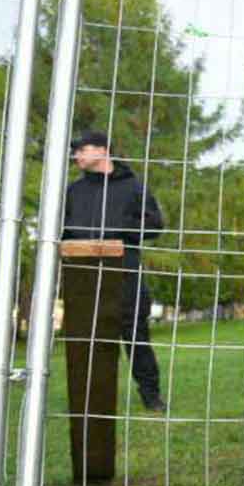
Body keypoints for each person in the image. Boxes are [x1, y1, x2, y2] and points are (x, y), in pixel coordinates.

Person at [62, 131, 168, 412]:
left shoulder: (133, 187)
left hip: (125, 272)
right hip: (83, 275)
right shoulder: (73, 192)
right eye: (75, 151)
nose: (77, 155)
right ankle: (90, 400)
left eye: (82, 149)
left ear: (102, 150)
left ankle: (151, 396)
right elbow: (63, 231)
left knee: (135, 336)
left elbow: (155, 224)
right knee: (88, 341)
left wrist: (118, 231)